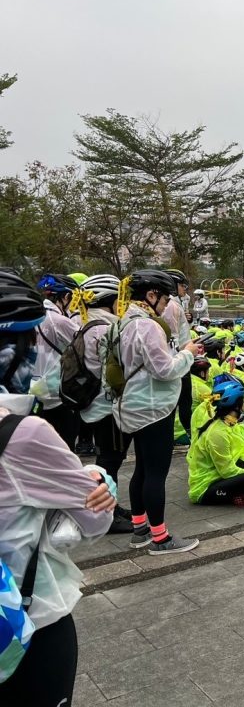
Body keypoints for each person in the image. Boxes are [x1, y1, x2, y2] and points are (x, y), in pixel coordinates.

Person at [0, 270, 116, 707]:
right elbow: (93, 518)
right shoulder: (22, 433)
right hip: (25, 620)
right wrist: (97, 479)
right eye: (30, 344)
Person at [113, 270, 202, 554]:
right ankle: (161, 538)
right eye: (165, 300)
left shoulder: (124, 322)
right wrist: (188, 352)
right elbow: (164, 370)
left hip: (134, 405)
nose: (166, 306)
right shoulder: (147, 326)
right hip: (154, 407)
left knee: (141, 467)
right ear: (151, 295)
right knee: (156, 473)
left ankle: (140, 529)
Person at [76, 274, 133, 533]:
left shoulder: (85, 323)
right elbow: (120, 367)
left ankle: (111, 504)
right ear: (109, 299)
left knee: (108, 457)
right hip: (107, 405)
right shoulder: (106, 328)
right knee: (110, 459)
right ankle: (106, 514)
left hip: (92, 404)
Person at [187, 380, 244, 506]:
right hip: (206, 487)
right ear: (236, 405)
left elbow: (243, 454)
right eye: (243, 399)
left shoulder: (230, 424)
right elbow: (227, 471)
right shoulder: (217, 433)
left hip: (220, 476)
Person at [33, 273, 82, 449]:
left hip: (36, 391)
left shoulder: (35, 316)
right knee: (66, 446)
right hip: (59, 394)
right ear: (66, 297)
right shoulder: (59, 321)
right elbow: (84, 344)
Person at [163, 269, 194, 443]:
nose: (185, 290)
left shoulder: (174, 304)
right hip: (180, 357)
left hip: (180, 355)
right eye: (183, 286)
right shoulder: (171, 305)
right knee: (183, 402)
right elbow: (173, 336)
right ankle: (187, 433)